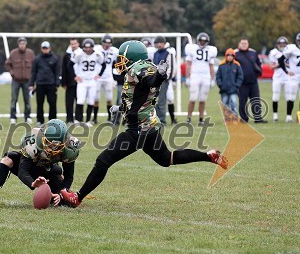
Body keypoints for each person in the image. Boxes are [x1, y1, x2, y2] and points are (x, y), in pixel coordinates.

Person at [58, 40, 228, 208]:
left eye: (123, 58)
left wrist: (159, 76)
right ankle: (208, 155)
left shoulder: (140, 68)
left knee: (103, 161)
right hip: (150, 126)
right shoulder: (141, 67)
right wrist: (121, 108)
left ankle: (77, 198)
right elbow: (140, 94)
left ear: (132, 57)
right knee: (166, 159)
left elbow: (150, 80)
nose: (120, 62)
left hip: (139, 129)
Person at [0, 119, 81, 210]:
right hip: (32, 168)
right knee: (8, 159)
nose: (50, 148)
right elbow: (22, 170)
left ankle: (56, 195)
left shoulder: (71, 148)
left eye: (56, 145)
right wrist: (33, 183)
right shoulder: (33, 139)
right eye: (47, 142)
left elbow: (68, 176)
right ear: (43, 137)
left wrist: (60, 193)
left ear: (64, 141)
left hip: (51, 171)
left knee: (61, 200)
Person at [184, 32, 218, 125]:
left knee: (203, 99)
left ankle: (201, 119)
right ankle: (188, 118)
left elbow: (211, 66)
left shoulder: (210, 50)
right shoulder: (192, 49)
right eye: (201, 41)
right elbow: (188, 64)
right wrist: (187, 77)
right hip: (195, 75)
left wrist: (212, 78)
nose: (202, 42)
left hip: (206, 76)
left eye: (204, 41)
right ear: (198, 40)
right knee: (193, 97)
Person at [72, 38, 105, 127]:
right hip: (82, 81)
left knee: (91, 101)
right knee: (80, 100)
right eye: (86, 48)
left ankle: (87, 121)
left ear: (92, 47)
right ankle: (78, 120)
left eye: (89, 47)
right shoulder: (79, 54)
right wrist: (75, 76)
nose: (87, 49)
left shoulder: (97, 54)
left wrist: (99, 74)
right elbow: (70, 64)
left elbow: (103, 64)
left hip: (92, 81)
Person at [234, 37, 267, 123]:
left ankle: (258, 118)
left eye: (246, 43)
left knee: (256, 100)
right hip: (242, 83)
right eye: (242, 43)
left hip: (253, 82)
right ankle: (244, 119)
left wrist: (259, 72)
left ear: (248, 44)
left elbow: (258, 63)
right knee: (242, 101)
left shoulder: (253, 52)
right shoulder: (235, 53)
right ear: (239, 44)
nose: (244, 45)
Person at [29, 41, 60, 125]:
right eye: (43, 48)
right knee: (40, 103)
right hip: (40, 84)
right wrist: (31, 84)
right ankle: (40, 120)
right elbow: (34, 72)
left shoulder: (55, 58)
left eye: (46, 48)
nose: (45, 50)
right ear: (41, 49)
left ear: (49, 48)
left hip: (51, 84)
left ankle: (52, 120)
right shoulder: (37, 59)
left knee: (52, 103)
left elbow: (57, 72)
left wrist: (57, 84)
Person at [5, 37, 34, 124]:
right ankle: (13, 117)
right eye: (20, 44)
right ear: (18, 44)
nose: (22, 45)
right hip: (16, 80)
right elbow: (7, 64)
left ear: (26, 44)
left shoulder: (30, 53)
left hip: (27, 81)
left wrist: (32, 76)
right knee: (14, 99)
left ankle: (28, 117)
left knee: (27, 100)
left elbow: (34, 65)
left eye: (23, 44)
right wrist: (12, 72)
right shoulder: (13, 53)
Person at [93, 34, 119, 123]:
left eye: (109, 43)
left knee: (109, 99)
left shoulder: (114, 51)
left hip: (108, 77)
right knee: (96, 99)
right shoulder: (96, 49)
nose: (107, 45)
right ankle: (94, 118)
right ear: (102, 42)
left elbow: (118, 61)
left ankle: (109, 118)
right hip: (98, 77)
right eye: (105, 42)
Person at [153, 36, 176, 126]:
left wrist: (167, 78)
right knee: (155, 101)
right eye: (157, 43)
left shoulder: (168, 53)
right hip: (156, 80)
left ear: (164, 43)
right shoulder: (155, 54)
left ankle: (162, 120)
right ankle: (157, 119)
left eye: (160, 42)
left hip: (164, 80)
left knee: (162, 101)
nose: (159, 44)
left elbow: (171, 66)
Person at [216, 48, 243, 122]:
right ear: (226, 56)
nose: (230, 57)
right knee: (225, 105)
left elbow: (240, 76)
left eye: (232, 55)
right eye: (228, 55)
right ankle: (227, 119)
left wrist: (237, 85)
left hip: (233, 89)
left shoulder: (236, 65)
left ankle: (235, 118)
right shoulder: (221, 65)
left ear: (234, 56)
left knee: (234, 103)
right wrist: (220, 84)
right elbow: (218, 76)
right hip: (224, 89)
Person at [277, 33, 300, 123]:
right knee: (292, 97)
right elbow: (280, 60)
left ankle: (299, 117)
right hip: (294, 77)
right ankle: (288, 116)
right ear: (297, 41)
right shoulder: (292, 48)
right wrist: (286, 71)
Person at [268, 37, 290, 122]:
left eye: (284, 44)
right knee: (275, 96)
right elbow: (271, 67)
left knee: (289, 97)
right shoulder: (274, 52)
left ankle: (289, 116)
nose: (282, 45)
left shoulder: (290, 52)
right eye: (280, 44)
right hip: (277, 77)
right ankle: (275, 116)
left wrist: (282, 64)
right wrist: (281, 63)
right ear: (278, 45)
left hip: (288, 77)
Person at [61, 38, 80, 125]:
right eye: (72, 44)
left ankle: (78, 118)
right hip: (70, 82)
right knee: (69, 102)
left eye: (75, 43)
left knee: (79, 101)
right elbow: (64, 69)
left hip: (80, 82)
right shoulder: (67, 55)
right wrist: (64, 83)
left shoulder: (82, 54)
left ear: (78, 44)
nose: (73, 45)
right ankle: (69, 119)